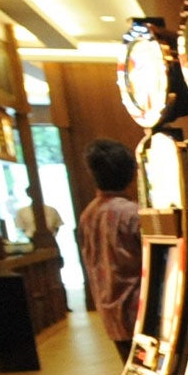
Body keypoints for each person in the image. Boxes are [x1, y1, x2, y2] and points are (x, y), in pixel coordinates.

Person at [78, 138, 141, 361]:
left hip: (110, 311)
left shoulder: (88, 213)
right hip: (140, 310)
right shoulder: (133, 214)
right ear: (132, 173)